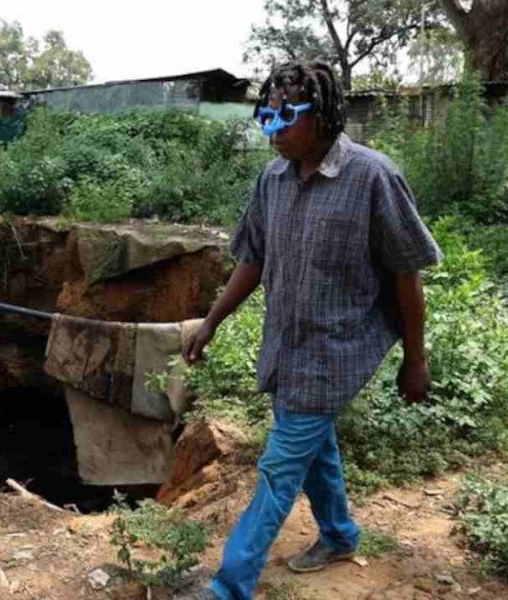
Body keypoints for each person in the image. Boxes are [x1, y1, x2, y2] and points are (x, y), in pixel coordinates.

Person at [174, 60, 442, 600]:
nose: (273, 129)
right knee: (314, 449)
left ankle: (228, 588)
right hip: (286, 347)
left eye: (286, 116)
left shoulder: (372, 177)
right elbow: (253, 259)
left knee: (278, 469)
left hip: (335, 352)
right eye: (266, 116)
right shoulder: (271, 180)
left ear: (322, 115)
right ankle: (340, 534)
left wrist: (416, 358)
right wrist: (212, 321)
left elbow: (406, 272)